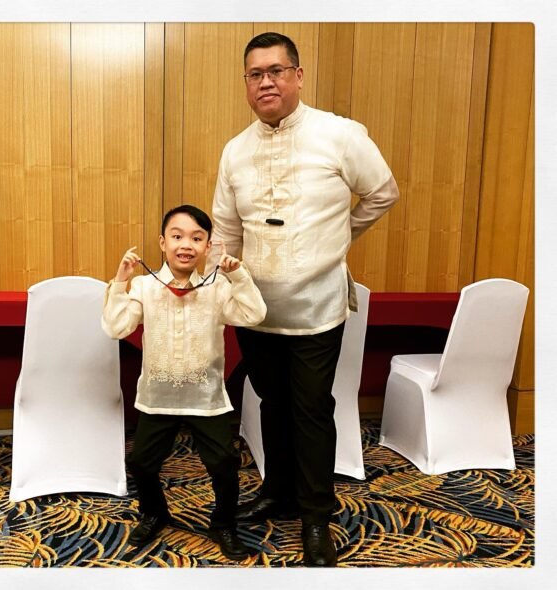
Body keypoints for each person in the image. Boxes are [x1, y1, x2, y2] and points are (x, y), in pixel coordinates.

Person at [207, 32, 399, 567]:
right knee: (271, 404)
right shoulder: (235, 150)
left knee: (312, 409)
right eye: (255, 74)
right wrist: (220, 290)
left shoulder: (340, 135)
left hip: (316, 306)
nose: (265, 82)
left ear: (297, 75)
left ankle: (316, 516)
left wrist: (339, 237)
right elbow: (225, 228)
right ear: (246, 84)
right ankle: (279, 492)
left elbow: (383, 192)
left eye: (276, 71)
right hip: (256, 308)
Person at [102, 205, 266, 561]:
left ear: (207, 246)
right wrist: (121, 281)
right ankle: (154, 512)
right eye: (177, 236)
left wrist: (238, 277)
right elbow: (116, 327)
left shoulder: (217, 288)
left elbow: (253, 314)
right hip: (157, 395)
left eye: (196, 238)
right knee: (141, 463)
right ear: (163, 243)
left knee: (224, 463)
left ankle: (223, 524)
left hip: (205, 396)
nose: (186, 245)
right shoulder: (145, 286)